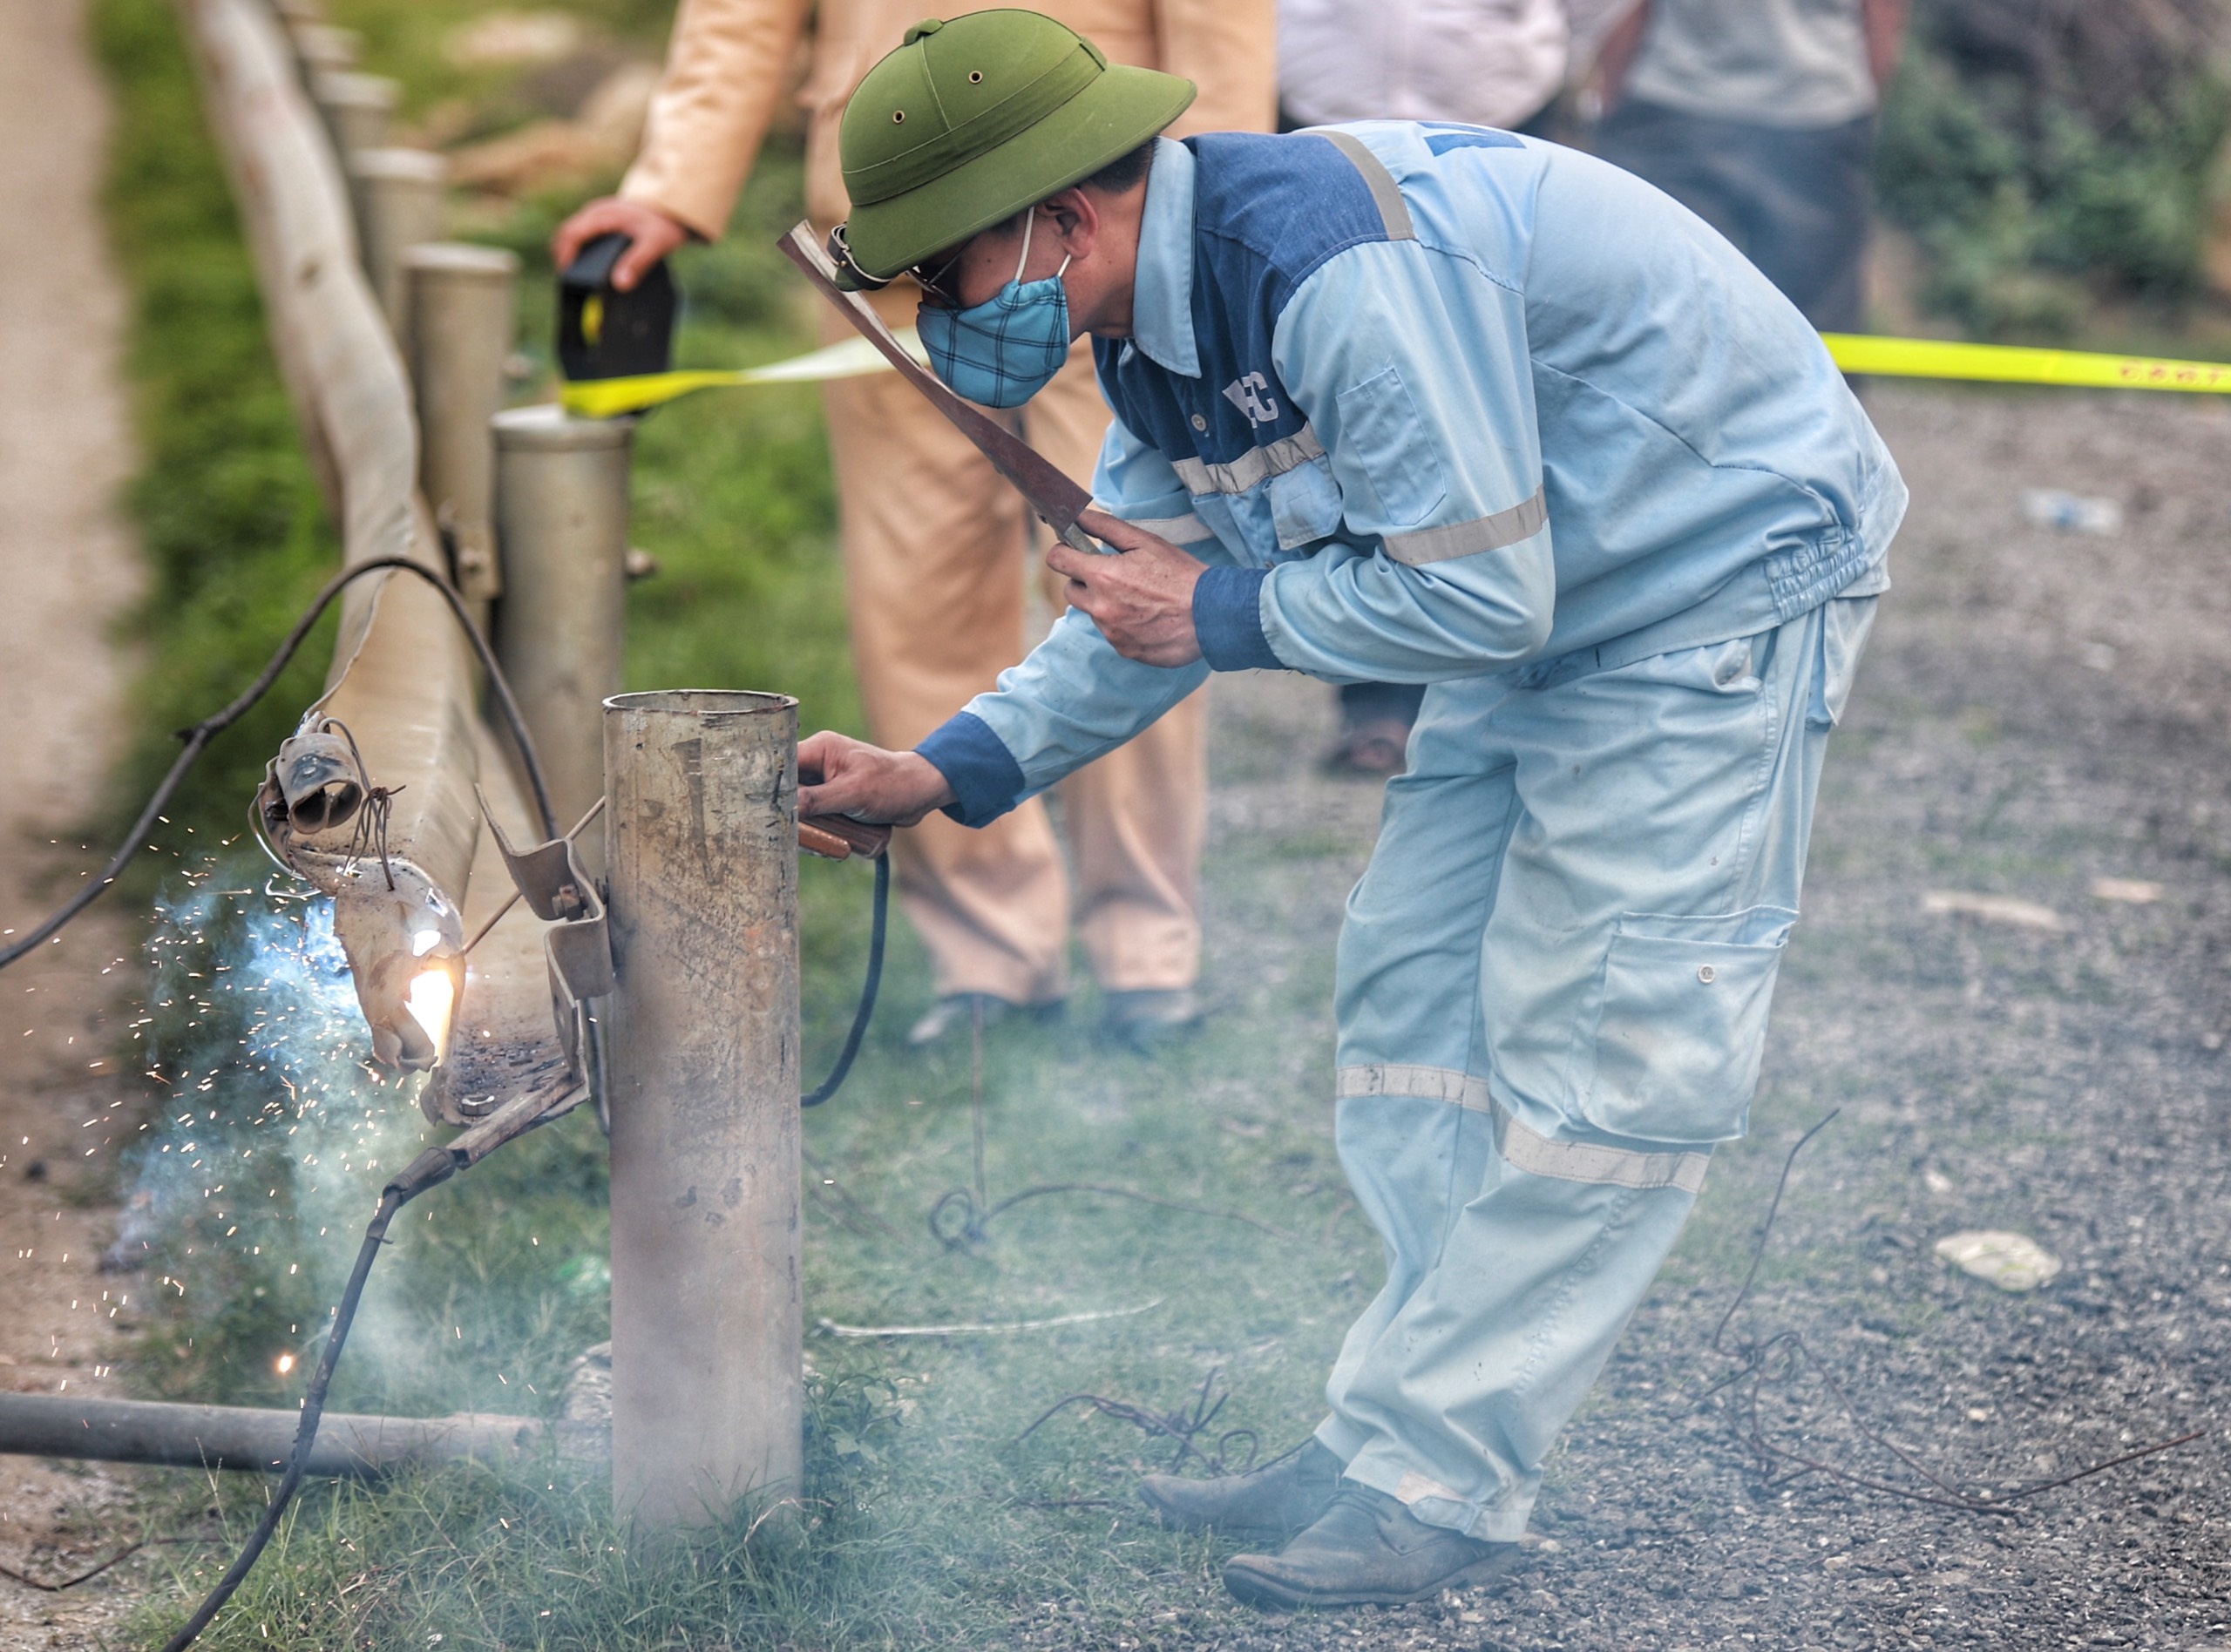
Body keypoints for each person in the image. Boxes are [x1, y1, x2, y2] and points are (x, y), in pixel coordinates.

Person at [799, 8, 1901, 1608]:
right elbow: (1141, 599)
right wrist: (949, 769)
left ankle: (1446, 1481)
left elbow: (1473, 598)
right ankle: (1382, 1435)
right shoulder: (1158, 327)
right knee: (1416, 1008)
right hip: (1552, 591)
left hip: (1710, 580)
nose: (936, 315)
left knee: (1604, 1044)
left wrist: (1225, 616)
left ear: (1063, 219)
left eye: (942, 275)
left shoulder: (1327, 271)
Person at [554, 2, 1275, 1046]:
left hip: (1089, 228)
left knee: (1134, 588)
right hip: (887, 245)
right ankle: (990, 957)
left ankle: (1147, 954)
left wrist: (1211, 206)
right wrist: (673, 183)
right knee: (917, 606)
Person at [1277, 0, 1572, 775]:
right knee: (1334, 417)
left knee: (1520, 404)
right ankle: (1377, 697)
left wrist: (1535, 42)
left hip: (1500, 108)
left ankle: (1527, 674)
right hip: (1317, 108)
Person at [1592, 0, 1909, 334]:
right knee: (1814, 325)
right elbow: (1883, 11)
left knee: (1661, 311)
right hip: (1815, 106)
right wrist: (1862, 102)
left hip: (1676, 99)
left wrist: (1608, 95)